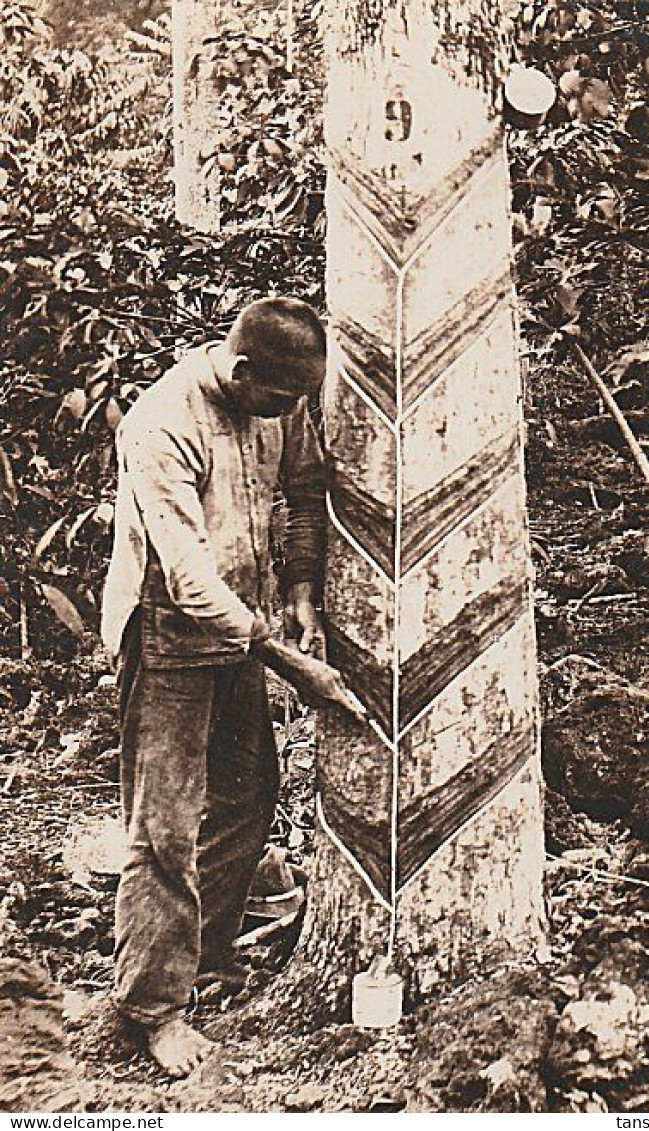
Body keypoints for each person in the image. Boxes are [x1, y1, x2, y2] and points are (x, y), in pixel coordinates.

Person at [100, 297, 362, 1078]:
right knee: (164, 826)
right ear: (242, 371)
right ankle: (151, 1009)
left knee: (247, 796)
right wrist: (292, 662)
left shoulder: (280, 402)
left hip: (244, 623)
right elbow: (184, 575)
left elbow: (307, 487)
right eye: (280, 401)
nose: (288, 414)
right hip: (169, 631)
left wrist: (304, 592)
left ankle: (205, 958)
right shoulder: (163, 423)